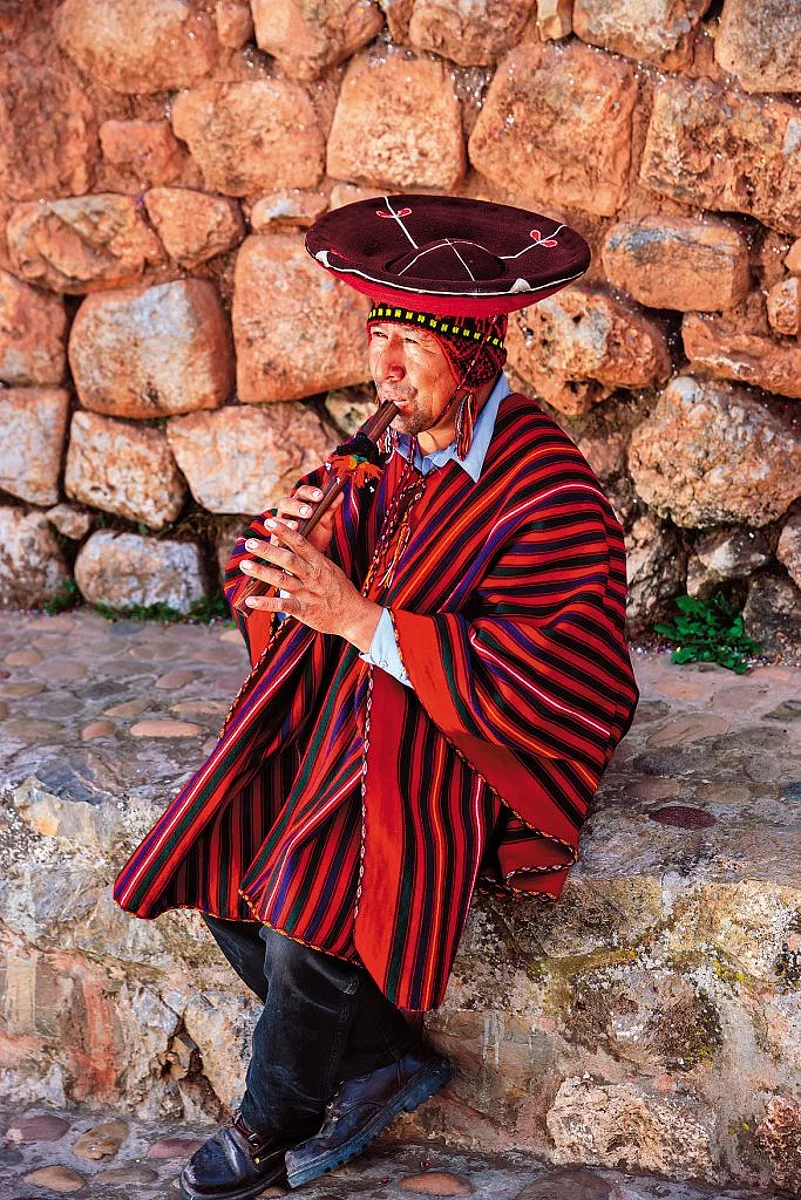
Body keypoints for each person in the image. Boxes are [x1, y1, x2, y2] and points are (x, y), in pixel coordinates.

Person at [113, 195, 639, 1200]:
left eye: (411, 347)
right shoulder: (387, 447)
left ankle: (275, 1120)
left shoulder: (549, 489)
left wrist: (359, 621)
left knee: (317, 864)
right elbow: (303, 589)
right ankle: (380, 1059)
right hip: (368, 703)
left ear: (471, 360)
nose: (385, 370)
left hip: (478, 739)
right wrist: (288, 557)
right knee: (221, 830)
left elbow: (563, 673)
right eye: (377, 339)